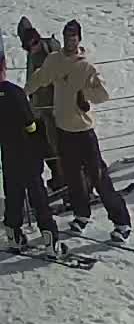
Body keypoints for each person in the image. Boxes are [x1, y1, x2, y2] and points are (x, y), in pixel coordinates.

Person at [24, 22, 131, 241]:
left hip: (84, 131)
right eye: (67, 36)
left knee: (98, 176)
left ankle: (122, 221)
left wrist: (86, 93)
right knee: (72, 177)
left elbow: (103, 94)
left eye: (74, 37)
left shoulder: (87, 66)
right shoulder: (54, 60)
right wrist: (21, 95)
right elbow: (40, 78)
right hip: (63, 129)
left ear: (79, 39)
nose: (70, 41)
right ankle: (82, 215)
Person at [1, 43, 60, 252]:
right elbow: (30, 123)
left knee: (13, 195)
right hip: (27, 151)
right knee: (38, 196)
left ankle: (13, 234)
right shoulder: (15, 93)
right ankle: (50, 238)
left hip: (7, 153)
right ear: (4, 67)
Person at [16, 21, 60, 198]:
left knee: (57, 146)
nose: (31, 47)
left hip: (53, 108)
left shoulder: (50, 50)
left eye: (33, 42)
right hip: (39, 110)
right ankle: (58, 179)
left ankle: (67, 181)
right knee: (45, 147)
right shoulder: (31, 54)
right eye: (27, 46)